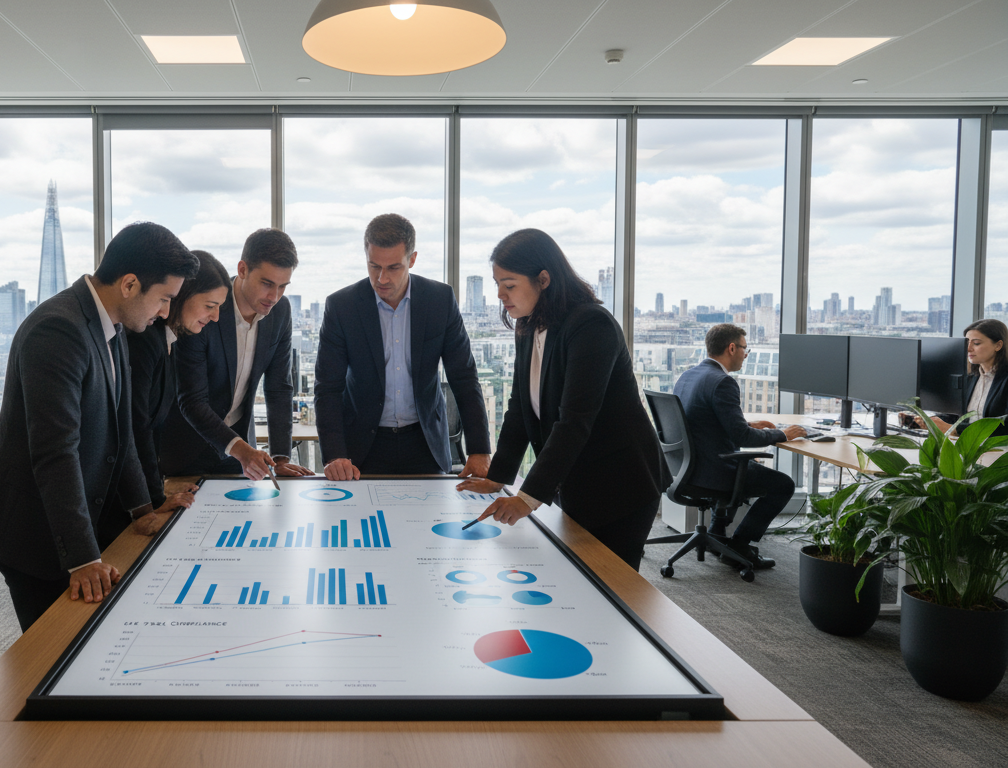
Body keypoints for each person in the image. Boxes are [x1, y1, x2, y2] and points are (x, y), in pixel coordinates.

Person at [0, 222, 199, 632]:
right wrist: (83, 558)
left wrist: (142, 509)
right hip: (31, 527)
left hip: (67, 516)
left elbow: (121, 433)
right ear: (129, 284)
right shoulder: (58, 329)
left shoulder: (113, 327)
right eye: (163, 298)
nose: (165, 312)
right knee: (50, 657)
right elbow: (55, 451)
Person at [456, 229, 668, 572]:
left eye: (509, 285)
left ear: (543, 279)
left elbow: (574, 420)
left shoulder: (591, 325)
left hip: (621, 481)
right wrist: (500, 476)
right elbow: (519, 410)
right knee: (576, 578)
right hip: (577, 479)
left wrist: (527, 497)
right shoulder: (528, 325)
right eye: (498, 284)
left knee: (612, 585)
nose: (500, 295)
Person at [315, 213, 491, 479]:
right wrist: (335, 454)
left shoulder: (440, 300)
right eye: (374, 266)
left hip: (425, 442)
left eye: (393, 267)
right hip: (362, 447)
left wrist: (479, 450)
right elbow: (327, 388)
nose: (382, 278)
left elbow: (464, 377)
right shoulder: (342, 307)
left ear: (412, 259)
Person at [162, 228, 315, 480]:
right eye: (266, 284)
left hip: (238, 450)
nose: (274, 297)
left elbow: (279, 387)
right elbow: (192, 400)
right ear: (243, 270)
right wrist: (242, 450)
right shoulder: (207, 307)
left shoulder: (280, 312)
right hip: (187, 448)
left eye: (282, 287)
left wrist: (280, 458)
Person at [672, 323, 807, 570]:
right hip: (712, 471)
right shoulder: (723, 382)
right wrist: (783, 434)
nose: (746, 355)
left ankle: (716, 533)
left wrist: (750, 423)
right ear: (732, 348)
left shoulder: (689, 375)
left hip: (687, 467)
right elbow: (743, 438)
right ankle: (739, 545)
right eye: (746, 349)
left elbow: (704, 421)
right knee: (782, 484)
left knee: (746, 467)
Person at [126, 250, 231, 513]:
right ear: (181, 295)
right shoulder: (145, 341)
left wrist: (161, 487)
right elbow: (137, 428)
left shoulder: (172, 341)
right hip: (122, 497)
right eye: (209, 306)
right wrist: (153, 500)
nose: (216, 317)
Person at [921, 319, 1008, 437]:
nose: (968, 349)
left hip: (998, 450)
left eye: (976, 343)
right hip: (967, 445)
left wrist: (957, 429)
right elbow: (960, 416)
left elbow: (1005, 425)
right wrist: (929, 420)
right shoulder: (971, 378)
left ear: (998, 345)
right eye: (967, 343)